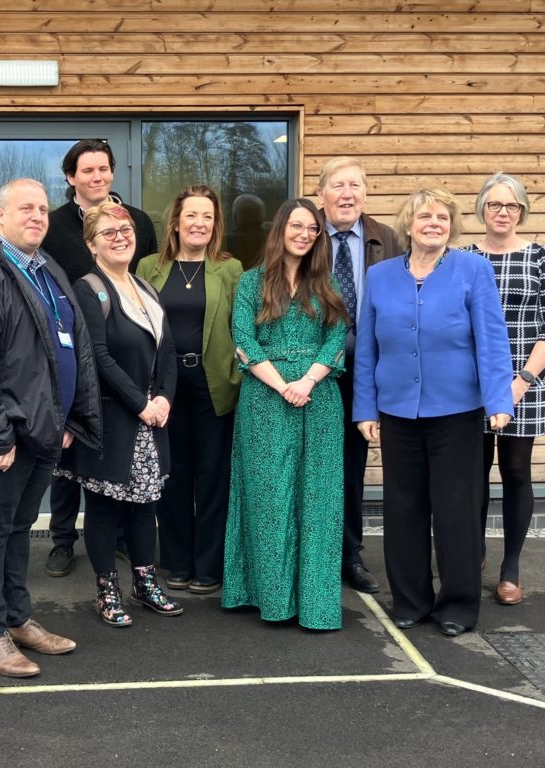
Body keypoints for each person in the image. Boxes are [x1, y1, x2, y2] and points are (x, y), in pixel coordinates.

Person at [0, 178, 103, 677]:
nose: (37, 216)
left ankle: (16, 618)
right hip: (1, 434)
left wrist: (68, 418)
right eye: (24, 208)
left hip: (40, 430)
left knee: (15, 529)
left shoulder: (43, 268)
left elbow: (69, 344)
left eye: (42, 209)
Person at [353, 187, 513, 637]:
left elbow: (492, 338)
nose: (433, 224)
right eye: (425, 217)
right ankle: (410, 600)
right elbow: (367, 347)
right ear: (408, 224)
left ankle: (458, 606)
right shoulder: (382, 276)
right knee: (403, 508)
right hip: (398, 411)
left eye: (442, 218)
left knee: (455, 510)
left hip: (457, 411)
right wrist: (366, 407)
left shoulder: (473, 270)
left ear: (452, 226)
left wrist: (499, 400)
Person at [222, 198, 348, 630]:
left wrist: (307, 382)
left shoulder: (327, 283)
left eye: (312, 229)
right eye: (296, 226)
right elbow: (244, 340)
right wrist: (282, 386)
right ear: (280, 230)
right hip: (265, 399)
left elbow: (336, 340)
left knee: (318, 501)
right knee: (270, 499)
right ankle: (271, 598)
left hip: (318, 399)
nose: (304, 234)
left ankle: (315, 604)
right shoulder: (252, 282)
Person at [56, 201, 181, 626]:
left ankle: (145, 584)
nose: (121, 237)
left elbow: (167, 349)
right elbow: (98, 358)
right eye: (109, 233)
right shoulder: (87, 290)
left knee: (146, 506)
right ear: (92, 245)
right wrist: (142, 404)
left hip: (152, 418)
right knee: (105, 508)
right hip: (114, 419)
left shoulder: (145, 287)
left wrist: (164, 397)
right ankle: (107, 590)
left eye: (125, 229)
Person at [43, 139, 159, 578]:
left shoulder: (136, 221)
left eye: (103, 169)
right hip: (69, 350)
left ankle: (125, 540)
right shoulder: (53, 226)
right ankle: (61, 540)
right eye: (87, 170)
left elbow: (140, 282)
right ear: (71, 177)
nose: (97, 177)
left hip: (122, 353)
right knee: (69, 454)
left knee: (122, 453)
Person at [462, 172, 545, 606]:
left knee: (516, 472)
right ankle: (474, 553)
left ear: (522, 211)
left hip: (525, 380)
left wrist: (521, 381)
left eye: (512, 206)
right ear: (482, 208)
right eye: (495, 204)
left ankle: (511, 567)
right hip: (472, 384)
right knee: (473, 475)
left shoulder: (541, 257)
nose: (503, 212)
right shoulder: (464, 257)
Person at [137, 185, 243, 594]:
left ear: (215, 225)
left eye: (208, 217)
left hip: (213, 383)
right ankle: (177, 561)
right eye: (192, 215)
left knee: (213, 475)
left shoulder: (229, 269)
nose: (199, 223)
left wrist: (237, 371)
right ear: (176, 222)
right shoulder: (149, 267)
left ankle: (209, 564)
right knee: (172, 474)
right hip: (164, 385)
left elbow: (242, 324)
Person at [317, 156, 400, 595]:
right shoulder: (304, 231)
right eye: (337, 185)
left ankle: (349, 555)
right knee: (312, 464)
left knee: (351, 467)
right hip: (308, 373)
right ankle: (309, 551)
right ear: (322, 193)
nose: (346, 194)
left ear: (365, 194)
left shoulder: (387, 239)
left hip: (364, 370)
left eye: (354, 185)